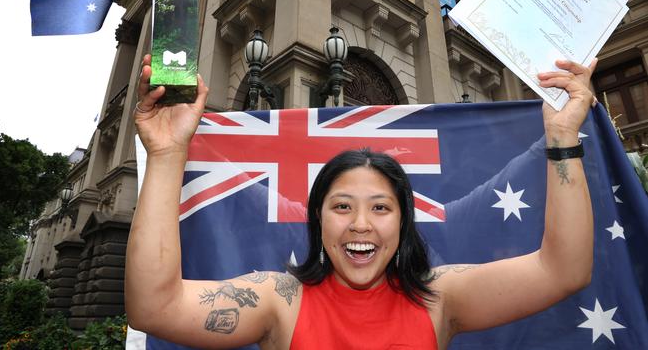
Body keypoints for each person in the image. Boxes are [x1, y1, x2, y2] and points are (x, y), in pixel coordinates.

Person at [126, 54, 597, 350]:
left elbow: (564, 270)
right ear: (317, 220)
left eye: (381, 208)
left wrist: (560, 137)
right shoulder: (277, 301)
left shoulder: (440, 297)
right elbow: (155, 308)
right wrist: (168, 154)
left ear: (403, 221)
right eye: (342, 206)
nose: (360, 224)